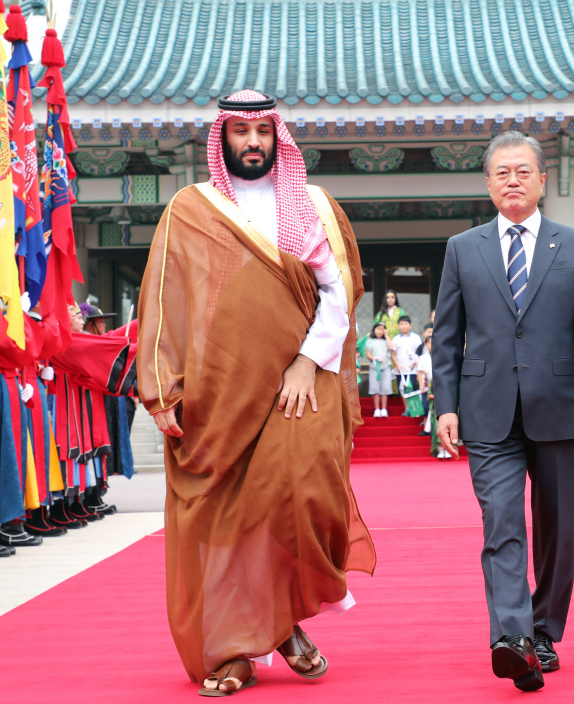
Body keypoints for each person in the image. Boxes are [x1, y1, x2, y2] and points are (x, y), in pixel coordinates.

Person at [137, 90, 375, 696]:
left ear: (278, 139)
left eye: (264, 133)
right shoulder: (191, 208)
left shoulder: (313, 204)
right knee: (227, 519)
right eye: (241, 133)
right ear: (222, 140)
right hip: (222, 392)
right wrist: (162, 389)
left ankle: (286, 613)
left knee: (306, 495)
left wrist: (305, 363)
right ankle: (238, 649)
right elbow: (163, 304)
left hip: (301, 382)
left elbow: (338, 294)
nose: (253, 143)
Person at [432, 130, 574, 692]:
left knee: (559, 528)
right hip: (487, 412)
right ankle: (511, 638)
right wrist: (447, 406)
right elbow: (448, 335)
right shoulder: (463, 249)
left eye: (523, 171)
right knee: (501, 523)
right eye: (501, 172)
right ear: (488, 184)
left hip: (561, 407)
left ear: (541, 180)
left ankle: (543, 629)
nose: (513, 180)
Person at [393, 316, 424, 417]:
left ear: (410, 325)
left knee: (413, 388)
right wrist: (397, 365)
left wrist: (414, 363)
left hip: (413, 369)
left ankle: (415, 409)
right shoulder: (396, 339)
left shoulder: (416, 337)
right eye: (401, 324)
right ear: (398, 326)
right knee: (402, 389)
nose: (403, 326)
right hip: (400, 369)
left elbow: (419, 352)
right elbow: (393, 354)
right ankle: (407, 408)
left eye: (405, 324)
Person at [364, 323, 391, 417]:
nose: (380, 331)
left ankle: (384, 409)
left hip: (386, 367)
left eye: (382, 329)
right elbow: (368, 354)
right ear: (374, 330)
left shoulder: (386, 341)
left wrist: (387, 335)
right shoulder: (370, 340)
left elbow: (391, 348)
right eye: (378, 329)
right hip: (374, 367)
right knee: (375, 389)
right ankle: (377, 409)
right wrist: (374, 358)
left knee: (385, 388)